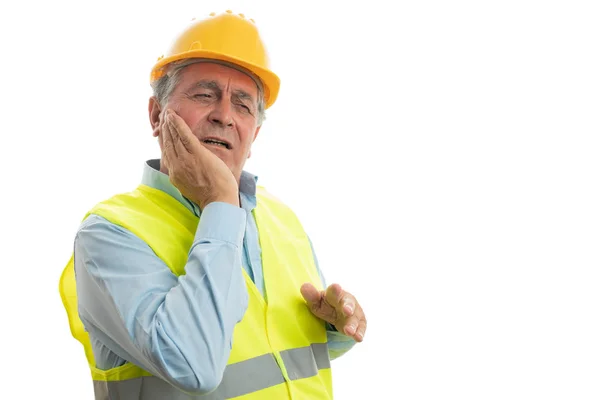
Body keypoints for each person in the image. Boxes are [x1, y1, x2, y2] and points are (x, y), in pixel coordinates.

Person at [59, 10, 367, 400]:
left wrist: (335, 331)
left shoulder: (281, 219)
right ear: (157, 115)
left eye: (242, 104)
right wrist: (220, 201)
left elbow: (270, 354)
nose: (223, 115)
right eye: (205, 95)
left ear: (254, 133)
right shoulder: (109, 234)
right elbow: (192, 365)